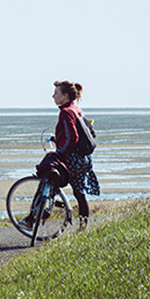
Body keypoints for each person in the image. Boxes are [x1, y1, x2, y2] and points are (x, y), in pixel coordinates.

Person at [50, 80, 100, 226]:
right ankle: (83, 227)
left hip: (72, 159)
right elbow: (87, 132)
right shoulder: (76, 109)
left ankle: (32, 218)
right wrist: (57, 139)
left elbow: (72, 137)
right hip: (84, 159)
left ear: (65, 95)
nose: (53, 96)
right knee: (79, 194)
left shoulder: (65, 113)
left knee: (47, 177)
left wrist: (60, 153)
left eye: (56, 93)